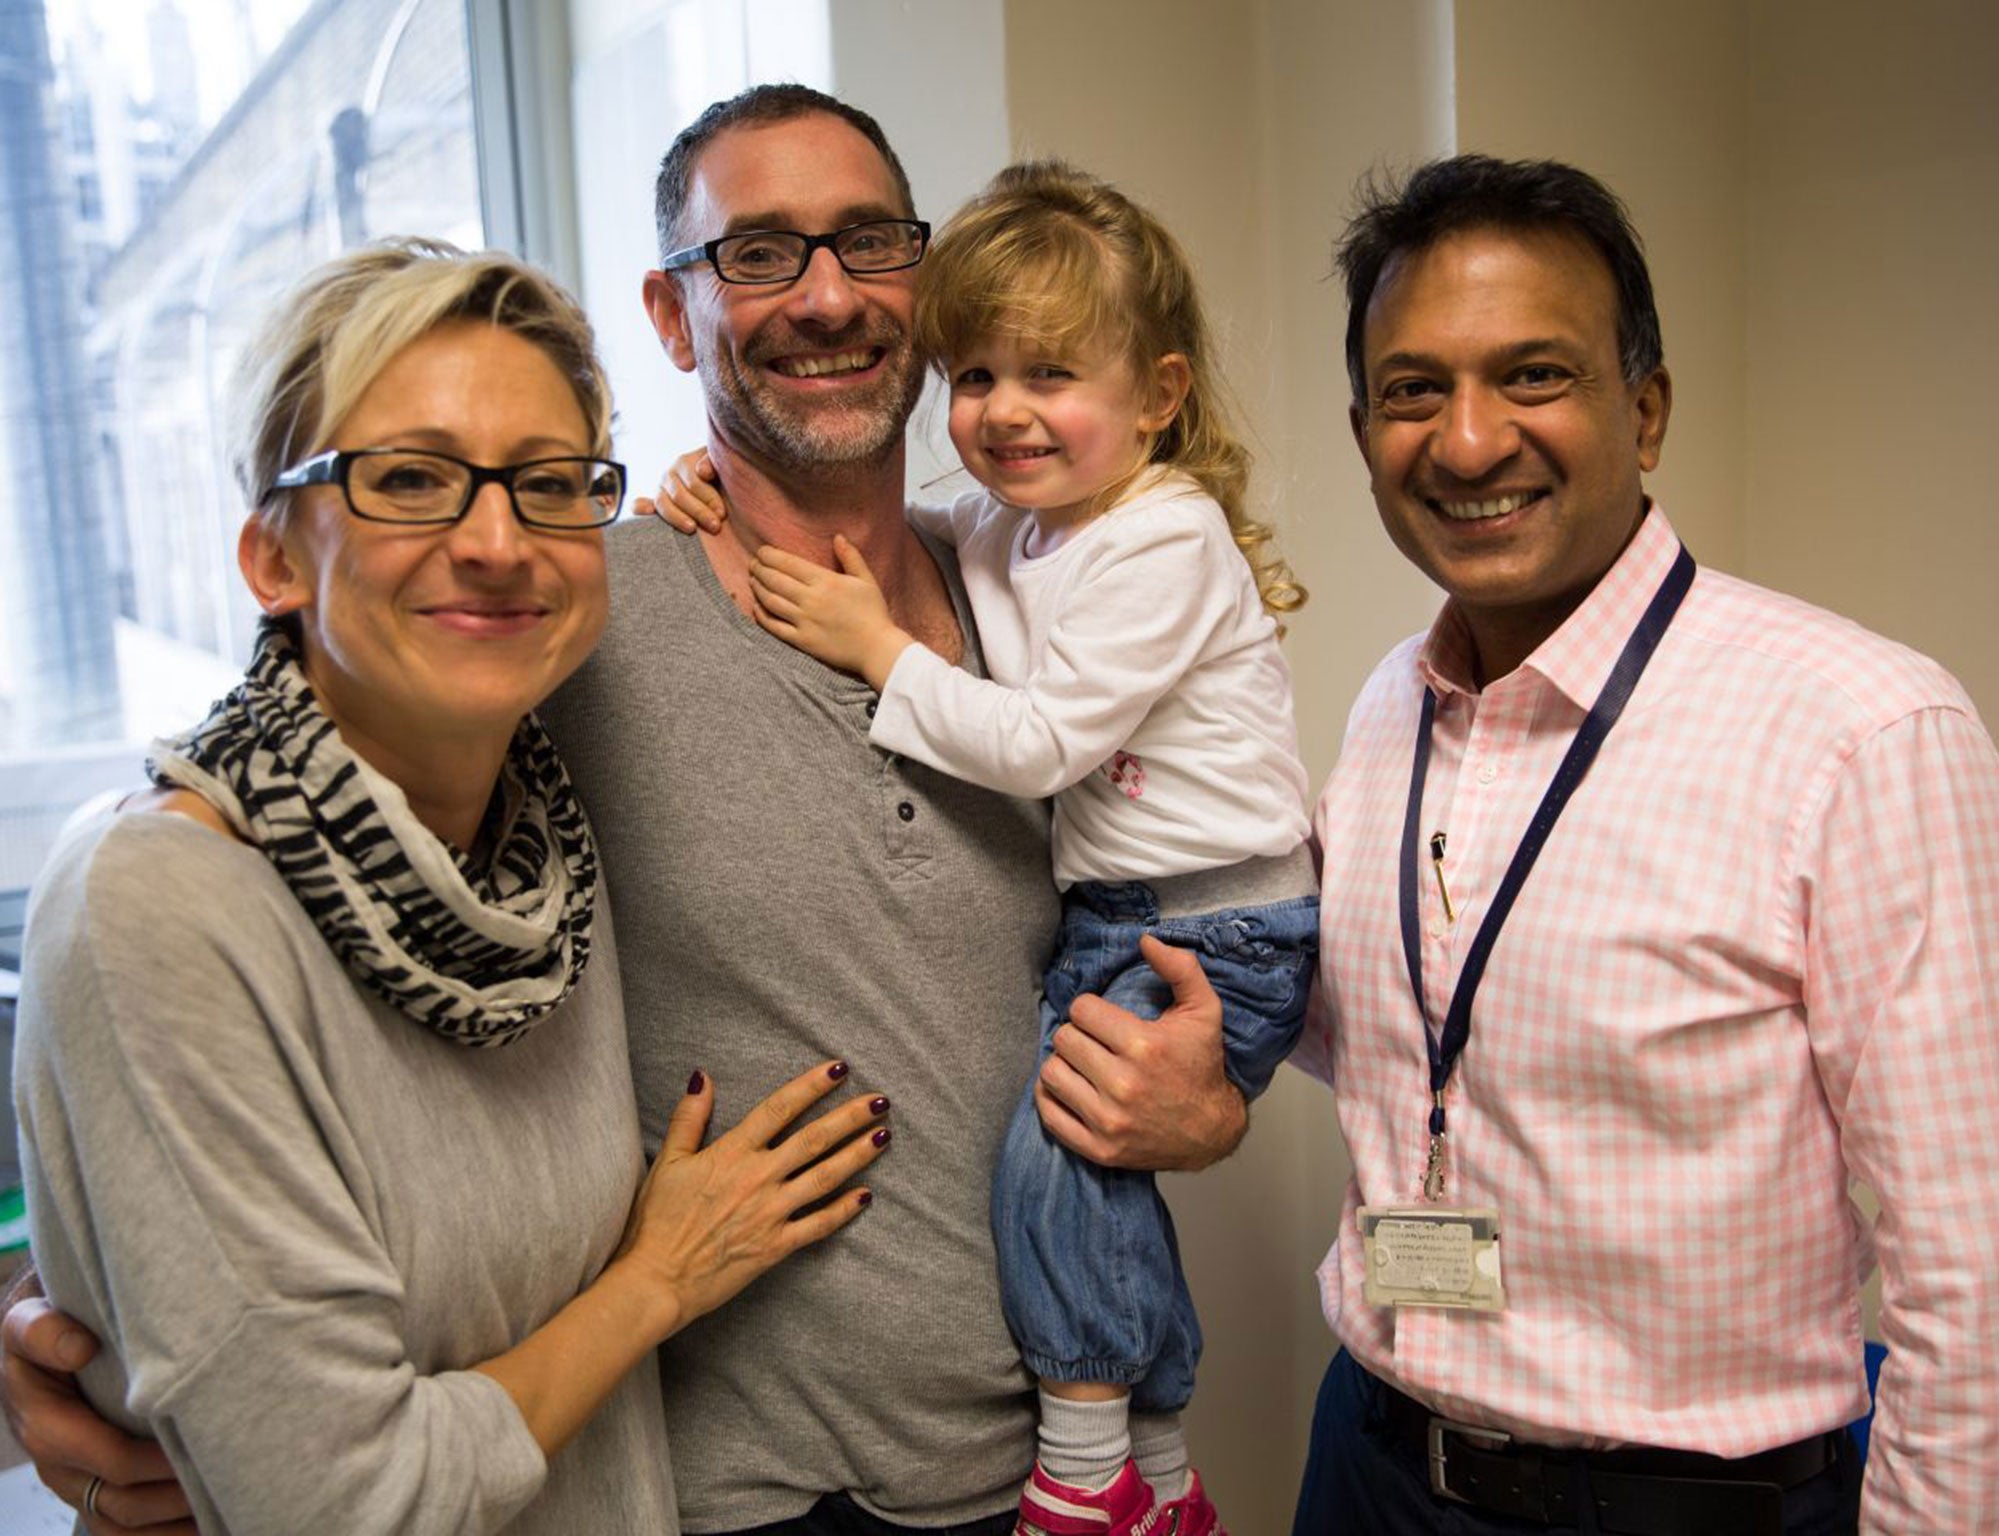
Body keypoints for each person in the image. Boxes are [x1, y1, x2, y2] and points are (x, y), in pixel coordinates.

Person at [0, 86, 1257, 1536]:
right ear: (674, 318)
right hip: (733, 1489)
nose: (827, 295)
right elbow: (287, 825)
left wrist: (1208, 1105)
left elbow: (1209, 894)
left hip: (1053, 1461)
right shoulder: (567, 610)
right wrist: (71, 1308)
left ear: (928, 286)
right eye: (760, 254)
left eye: (867, 243)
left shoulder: (1038, 590)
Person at [6, 238, 894, 1535]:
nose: (497, 541)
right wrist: (657, 1279)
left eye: (549, 484)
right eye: (411, 480)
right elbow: (350, 1504)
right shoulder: (161, 899)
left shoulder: (539, 854)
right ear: (270, 558)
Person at [1290, 154, 1999, 1535]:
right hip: (1370, 1463)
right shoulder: (1393, 701)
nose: (1466, 443)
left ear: (1645, 412)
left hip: (1677, 1507)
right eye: (1414, 390)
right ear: (1362, 433)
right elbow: (1415, 1031)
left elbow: (1988, 1284)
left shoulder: (1868, 734)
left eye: (1534, 376)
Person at [686, 158, 1317, 1534]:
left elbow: (1038, 745)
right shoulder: (1007, 528)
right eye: (973, 377)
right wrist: (709, 483)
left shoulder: (1165, 536)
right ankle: (1158, 1463)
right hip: (1131, 915)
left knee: (1056, 1159)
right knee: (1093, 1187)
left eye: (1050, 376)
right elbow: (880, 524)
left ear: (1158, 395)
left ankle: (1088, 1469)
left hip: (1222, 923)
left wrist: (875, 648)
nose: (1004, 412)